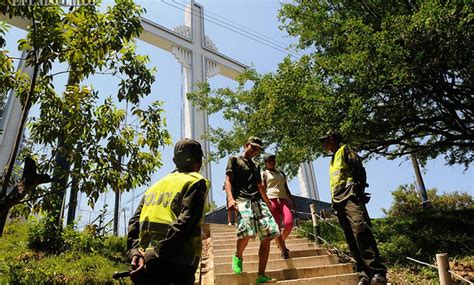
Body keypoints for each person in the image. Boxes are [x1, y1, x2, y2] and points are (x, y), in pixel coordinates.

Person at [126, 138, 210, 285]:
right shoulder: (195, 182)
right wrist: (156, 254)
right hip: (178, 264)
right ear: (199, 162)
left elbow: (134, 222)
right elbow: (185, 223)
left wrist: (135, 253)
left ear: (174, 160)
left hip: (145, 263)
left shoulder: (155, 186)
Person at [319, 131, 387, 285]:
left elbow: (360, 171)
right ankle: (363, 274)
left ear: (332, 139)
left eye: (324, 141)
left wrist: (359, 192)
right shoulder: (332, 160)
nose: (322, 144)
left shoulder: (345, 151)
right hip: (338, 202)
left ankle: (376, 272)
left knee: (361, 230)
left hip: (351, 197)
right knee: (350, 238)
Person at [224, 136, 279, 284]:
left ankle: (261, 275)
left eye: (258, 150)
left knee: (268, 235)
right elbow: (228, 180)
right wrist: (230, 198)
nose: (255, 151)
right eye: (253, 147)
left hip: (257, 201)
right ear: (246, 145)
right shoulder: (234, 159)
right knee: (247, 232)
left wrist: (268, 202)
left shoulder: (256, 165)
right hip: (242, 200)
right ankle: (238, 255)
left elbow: (260, 186)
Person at [262, 154, 295, 259]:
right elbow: (262, 189)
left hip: (283, 199)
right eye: (269, 161)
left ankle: (281, 242)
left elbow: (286, 188)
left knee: (289, 223)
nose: (272, 162)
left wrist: (292, 201)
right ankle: (283, 249)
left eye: (273, 160)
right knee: (277, 227)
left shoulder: (281, 173)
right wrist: (265, 202)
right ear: (265, 163)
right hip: (271, 200)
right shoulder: (264, 174)